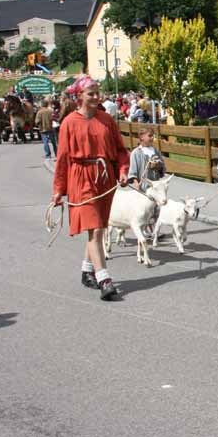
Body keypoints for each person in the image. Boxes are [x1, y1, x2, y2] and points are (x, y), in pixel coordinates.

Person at [52, 75, 130, 300]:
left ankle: (87, 270)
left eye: (97, 93)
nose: (96, 97)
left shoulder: (107, 120)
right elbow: (62, 158)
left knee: (99, 226)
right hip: (81, 177)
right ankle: (104, 279)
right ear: (80, 96)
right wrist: (58, 189)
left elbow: (120, 150)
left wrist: (123, 171)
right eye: (91, 93)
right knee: (94, 227)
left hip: (104, 177)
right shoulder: (69, 122)